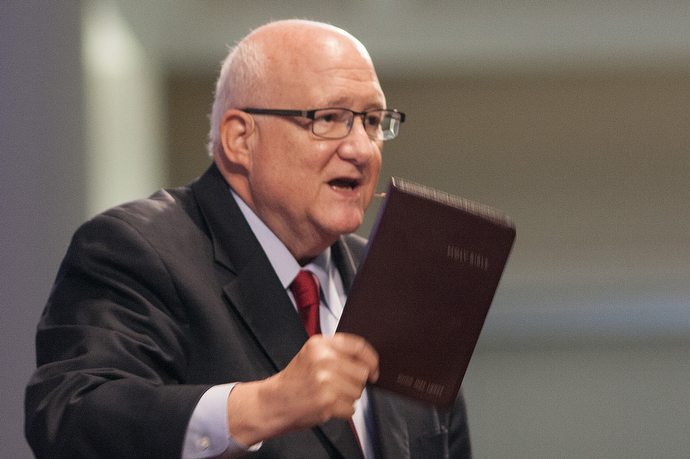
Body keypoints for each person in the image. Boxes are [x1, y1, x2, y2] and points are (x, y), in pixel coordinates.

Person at [24, 19, 472, 459]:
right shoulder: (137, 249)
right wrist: (265, 405)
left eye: (373, 121)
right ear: (240, 138)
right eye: (329, 118)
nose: (360, 148)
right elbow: (71, 417)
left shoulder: (396, 283)